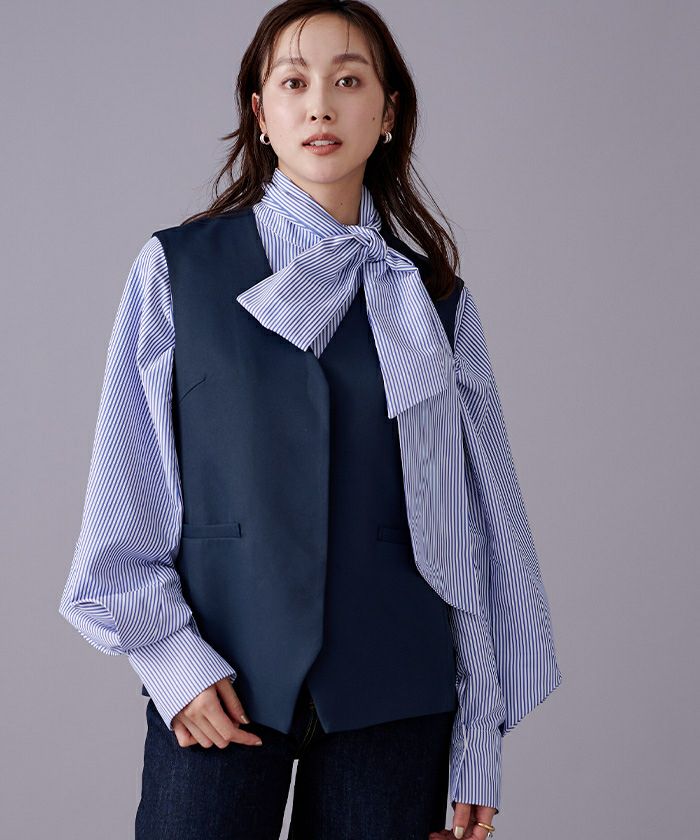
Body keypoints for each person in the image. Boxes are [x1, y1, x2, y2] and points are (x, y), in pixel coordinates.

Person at [58, 2, 563, 838]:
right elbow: (127, 489)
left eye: (348, 81)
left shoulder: (434, 304)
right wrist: (173, 664)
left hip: (395, 700)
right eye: (294, 83)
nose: (321, 105)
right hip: (219, 686)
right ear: (261, 113)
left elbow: (472, 535)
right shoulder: (176, 272)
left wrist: (478, 744)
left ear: (389, 111)